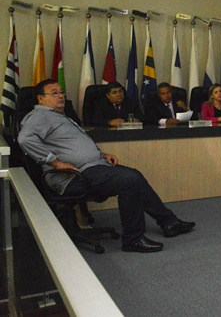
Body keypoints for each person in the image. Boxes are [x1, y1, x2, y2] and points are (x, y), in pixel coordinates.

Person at [18, 79, 196, 253]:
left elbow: (71, 145)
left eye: (61, 92)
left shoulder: (58, 117)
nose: (61, 96)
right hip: (72, 176)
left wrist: (101, 155)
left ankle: (169, 222)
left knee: (135, 176)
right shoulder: (40, 116)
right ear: (40, 99)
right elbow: (25, 139)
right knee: (130, 180)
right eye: (54, 93)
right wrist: (55, 163)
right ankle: (133, 239)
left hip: (92, 166)